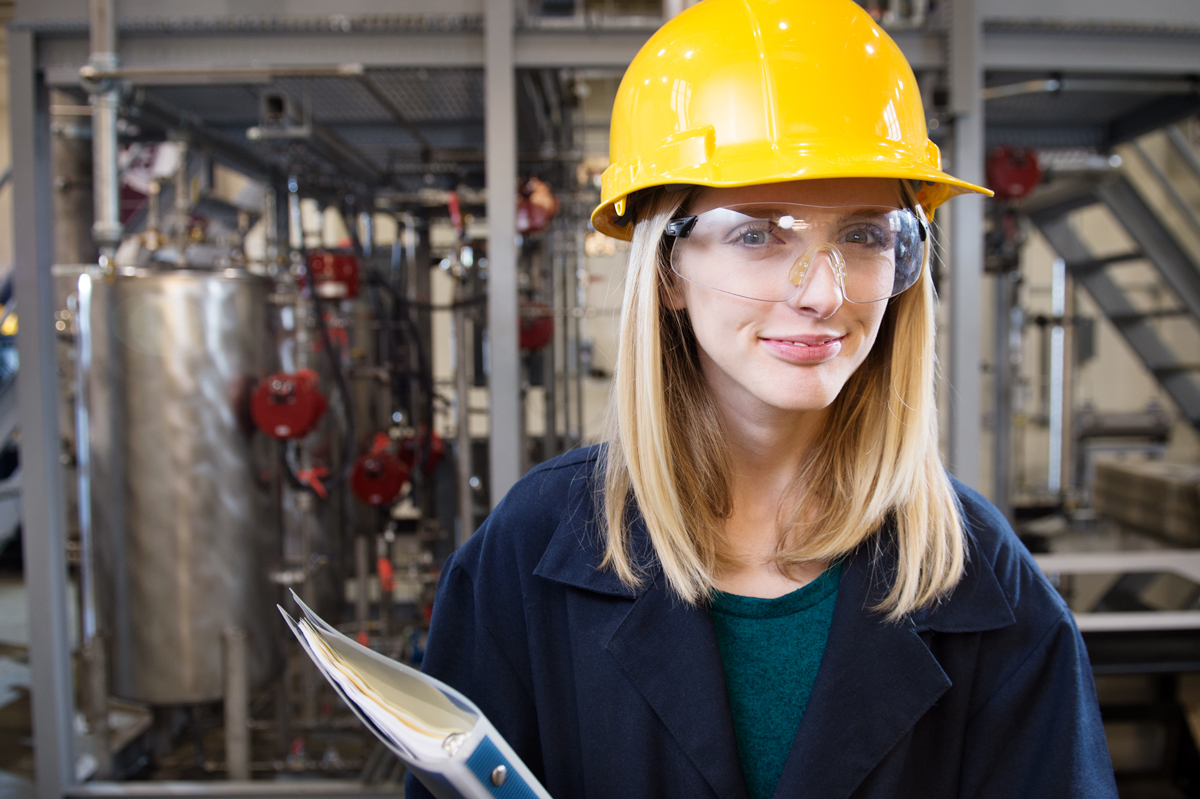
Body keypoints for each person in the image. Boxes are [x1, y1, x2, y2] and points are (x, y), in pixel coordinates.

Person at [406, 1, 1117, 796]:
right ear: (668, 270)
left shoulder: (984, 582)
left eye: (864, 234)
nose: (821, 293)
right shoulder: (532, 554)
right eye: (758, 234)